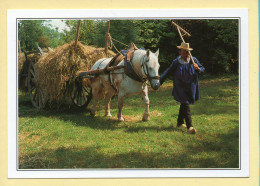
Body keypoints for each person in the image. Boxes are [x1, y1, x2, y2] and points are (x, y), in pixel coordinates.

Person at [160, 42, 205, 134]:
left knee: (184, 104)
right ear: (180, 52)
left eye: (188, 52)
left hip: (191, 86)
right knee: (185, 103)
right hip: (180, 87)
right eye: (184, 52)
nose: (186, 54)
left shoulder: (193, 60)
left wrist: (198, 69)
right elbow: (168, 71)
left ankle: (180, 122)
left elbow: (203, 69)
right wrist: (159, 81)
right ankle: (190, 126)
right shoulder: (176, 62)